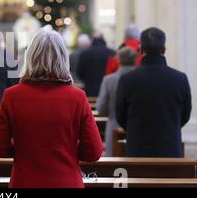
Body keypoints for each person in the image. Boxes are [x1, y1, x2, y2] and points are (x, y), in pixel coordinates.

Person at [0, 28, 103, 188]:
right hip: (66, 181)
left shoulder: (12, 96)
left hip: (25, 181)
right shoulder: (77, 97)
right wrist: (67, 150)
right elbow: (94, 152)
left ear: (31, 57)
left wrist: (25, 150)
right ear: (63, 58)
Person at [116, 28, 192, 157]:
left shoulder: (127, 80)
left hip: (137, 150)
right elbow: (185, 115)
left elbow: (120, 115)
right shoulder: (180, 78)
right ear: (164, 49)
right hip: (170, 150)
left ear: (140, 50)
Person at [97, 47, 138, 156]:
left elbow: (101, 108)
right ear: (135, 60)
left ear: (118, 60)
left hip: (114, 125)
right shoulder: (141, 78)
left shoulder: (109, 79)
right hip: (137, 127)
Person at [77, 33, 115, 97]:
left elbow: (79, 71)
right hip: (108, 90)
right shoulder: (112, 53)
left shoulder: (84, 54)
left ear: (92, 40)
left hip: (90, 89)